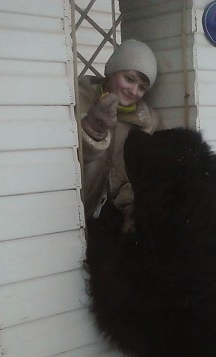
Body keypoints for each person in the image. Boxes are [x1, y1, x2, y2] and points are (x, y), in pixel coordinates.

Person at [77, 39, 163, 224]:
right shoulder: (76, 101)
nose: (134, 91)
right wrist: (92, 128)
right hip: (69, 216)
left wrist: (130, 202)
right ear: (111, 72)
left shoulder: (150, 122)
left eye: (142, 87)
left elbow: (148, 175)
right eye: (129, 79)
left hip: (114, 222)